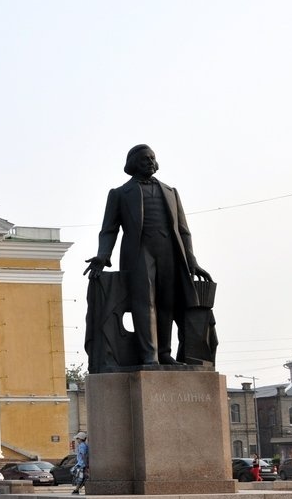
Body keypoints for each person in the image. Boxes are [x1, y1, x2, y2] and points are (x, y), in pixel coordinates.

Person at [85, 145, 212, 366]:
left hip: (169, 251)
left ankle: (164, 353)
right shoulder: (119, 194)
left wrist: (192, 260)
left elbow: (183, 230)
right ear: (133, 163)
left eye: (153, 158)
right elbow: (109, 229)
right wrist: (103, 254)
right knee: (144, 304)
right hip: (139, 251)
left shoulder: (171, 192)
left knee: (166, 303)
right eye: (145, 159)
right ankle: (148, 355)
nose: (150, 162)